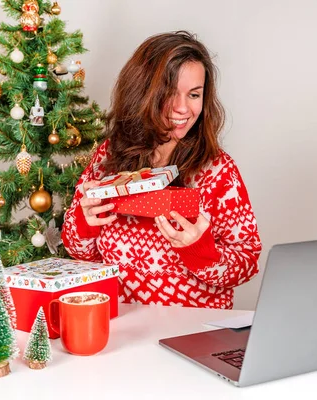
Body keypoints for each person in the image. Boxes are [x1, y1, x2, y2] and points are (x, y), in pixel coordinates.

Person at [61, 31, 262, 309]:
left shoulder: (217, 170)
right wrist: (85, 222)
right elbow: (79, 252)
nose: (183, 108)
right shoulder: (108, 156)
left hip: (192, 336)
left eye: (194, 94)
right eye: (169, 93)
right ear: (141, 92)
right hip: (122, 329)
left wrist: (201, 252)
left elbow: (247, 263)